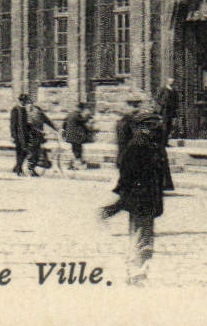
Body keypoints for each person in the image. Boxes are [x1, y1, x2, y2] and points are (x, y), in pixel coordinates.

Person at [98, 99, 167, 285]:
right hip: (141, 198)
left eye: (156, 125)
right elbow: (127, 176)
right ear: (142, 127)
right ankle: (136, 272)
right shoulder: (137, 146)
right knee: (141, 236)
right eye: (152, 125)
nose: (156, 128)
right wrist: (126, 195)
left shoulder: (152, 146)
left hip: (148, 198)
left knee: (142, 235)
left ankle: (134, 270)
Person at [62, 102, 92, 169]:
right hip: (76, 136)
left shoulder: (69, 114)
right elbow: (82, 121)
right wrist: (88, 116)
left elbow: (64, 124)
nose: (81, 111)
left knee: (75, 149)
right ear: (80, 108)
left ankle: (73, 164)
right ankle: (76, 164)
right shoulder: (77, 115)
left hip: (70, 136)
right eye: (82, 109)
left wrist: (65, 132)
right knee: (78, 150)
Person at [157, 78, 181, 146]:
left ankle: (166, 142)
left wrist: (176, 109)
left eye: (173, 82)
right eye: (170, 82)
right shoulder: (163, 89)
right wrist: (163, 104)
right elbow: (158, 99)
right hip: (164, 111)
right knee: (164, 126)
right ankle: (161, 142)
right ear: (167, 82)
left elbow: (177, 101)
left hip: (171, 112)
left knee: (169, 127)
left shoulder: (174, 91)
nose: (172, 83)